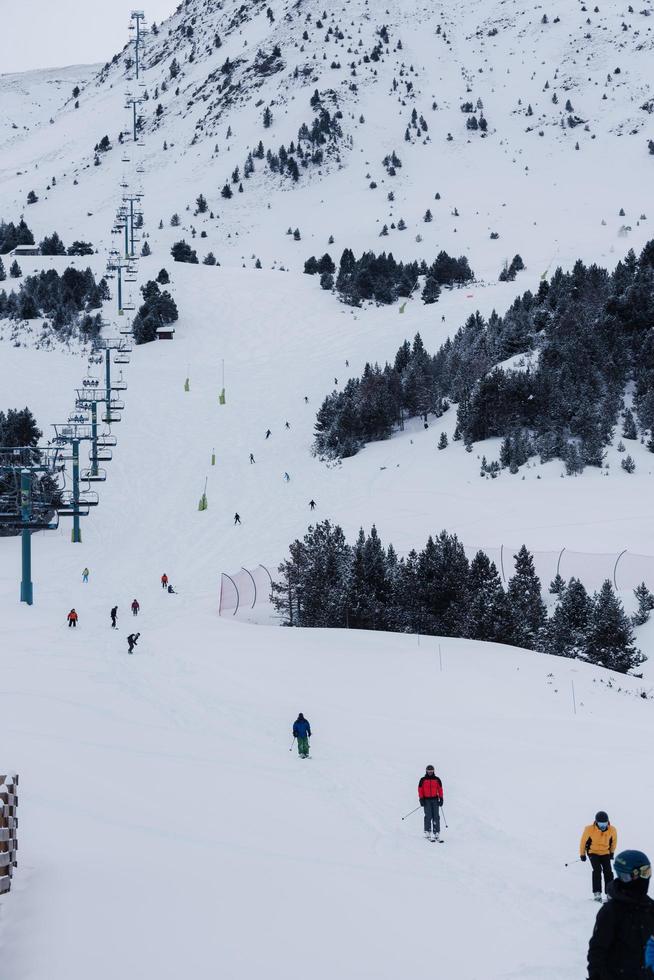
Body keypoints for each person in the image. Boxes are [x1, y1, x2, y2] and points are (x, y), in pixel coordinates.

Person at [588, 850, 654, 979]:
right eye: (644, 873)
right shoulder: (611, 912)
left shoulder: (650, 908)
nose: (647, 878)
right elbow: (597, 953)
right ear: (628, 876)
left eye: (649, 872)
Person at [580, 811, 618, 901]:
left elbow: (614, 842)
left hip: (605, 853)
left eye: (604, 824)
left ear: (608, 822)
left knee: (608, 872)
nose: (602, 826)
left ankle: (610, 893)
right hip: (593, 852)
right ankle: (597, 893)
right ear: (596, 822)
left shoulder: (612, 830)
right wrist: (582, 854)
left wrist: (612, 853)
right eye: (600, 824)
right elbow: (583, 842)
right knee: (597, 870)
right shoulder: (589, 829)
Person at [418, 765, 443, 841]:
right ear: (426, 771)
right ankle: (427, 831)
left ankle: (436, 832)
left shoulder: (437, 779)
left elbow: (440, 789)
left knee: (436, 816)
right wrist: (421, 799)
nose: (430, 772)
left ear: (433, 771)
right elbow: (420, 790)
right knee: (428, 816)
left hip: (435, 800)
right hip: (426, 800)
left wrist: (441, 799)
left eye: (431, 771)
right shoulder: (423, 780)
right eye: (429, 771)